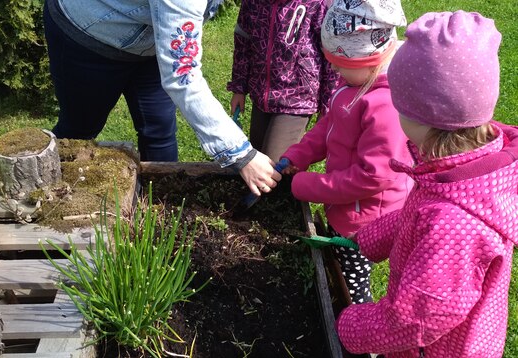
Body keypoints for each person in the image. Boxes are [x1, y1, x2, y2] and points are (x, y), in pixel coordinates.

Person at [336, 11, 518, 358]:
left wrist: (351, 326)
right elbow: (421, 212)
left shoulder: (454, 223)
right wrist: (371, 237)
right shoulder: (463, 172)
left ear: (421, 115)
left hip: (437, 353)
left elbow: (414, 320)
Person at [42, 0, 281, 196]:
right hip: (89, 36)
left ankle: (160, 205)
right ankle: (53, 200)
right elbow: (183, 77)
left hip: (151, 38)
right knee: (79, 131)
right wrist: (241, 154)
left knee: (159, 129)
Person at [280, 0, 411, 304]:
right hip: (345, 206)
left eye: (339, 64)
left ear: (368, 59)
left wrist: (309, 186)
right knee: (334, 265)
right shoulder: (356, 84)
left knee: (349, 283)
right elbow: (330, 123)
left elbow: (372, 177)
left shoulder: (386, 107)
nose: (334, 69)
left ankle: (358, 335)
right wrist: (299, 154)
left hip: (364, 221)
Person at [227, 0, 340, 162]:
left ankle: (294, 185)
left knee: (274, 165)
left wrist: (327, 106)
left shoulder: (317, 4)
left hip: (297, 99)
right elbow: (243, 43)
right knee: (256, 159)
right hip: (261, 96)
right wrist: (239, 88)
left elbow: (331, 58)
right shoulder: (252, 3)